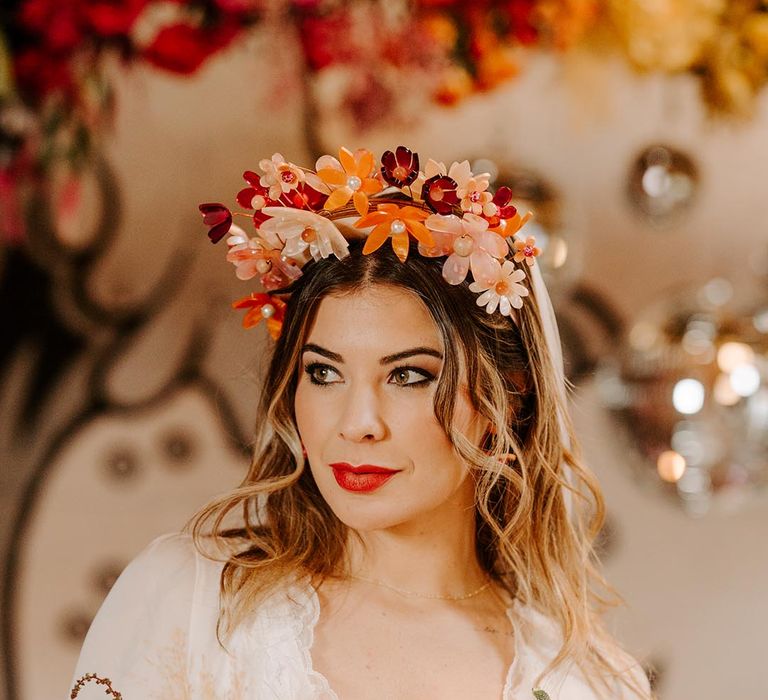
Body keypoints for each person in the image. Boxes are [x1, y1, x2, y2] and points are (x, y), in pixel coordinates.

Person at [69, 147, 653, 699]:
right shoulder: (191, 599)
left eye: (408, 376)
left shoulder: (590, 680)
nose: (358, 424)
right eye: (324, 374)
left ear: (509, 398)